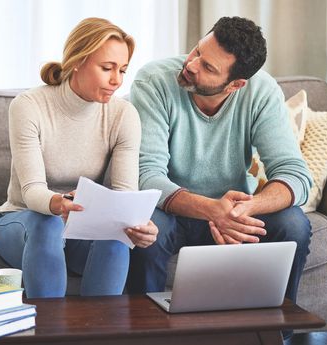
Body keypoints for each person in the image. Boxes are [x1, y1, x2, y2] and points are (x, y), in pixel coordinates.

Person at [126, 16, 313, 338]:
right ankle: (146, 336)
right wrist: (211, 208)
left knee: (294, 224)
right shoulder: (154, 81)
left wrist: (245, 209)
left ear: (236, 84)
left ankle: (272, 335)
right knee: (146, 227)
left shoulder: (261, 91)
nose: (193, 65)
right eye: (197, 51)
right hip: (172, 208)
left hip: (234, 213)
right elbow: (146, 174)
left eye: (209, 67)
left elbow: (294, 173)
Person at [0, 17, 158, 298]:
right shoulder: (29, 106)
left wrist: (137, 224)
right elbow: (31, 191)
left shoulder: (124, 115)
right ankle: (50, 334)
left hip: (82, 227)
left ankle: (100, 334)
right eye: (107, 68)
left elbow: (125, 194)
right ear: (77, 61)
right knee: (48, 223)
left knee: (117, 237)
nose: (117, 81)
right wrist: (60, 204)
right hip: (23, 220)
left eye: (123, 70)